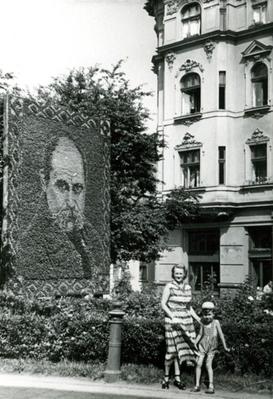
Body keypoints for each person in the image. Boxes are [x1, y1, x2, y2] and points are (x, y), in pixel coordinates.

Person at [161, 264, 200, 390]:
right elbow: (163, 304)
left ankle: (177, 379)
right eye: (176, 273)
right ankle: (165, 378)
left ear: (184, 274)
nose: (178, 275)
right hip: (172, 322)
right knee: (171, 352)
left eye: (180, 273)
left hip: (186, 322)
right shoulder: (169, 286)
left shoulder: (188, 287)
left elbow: (188, 307)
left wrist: (198, 318)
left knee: (180, 351)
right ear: (173, 274)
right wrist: (172, 316)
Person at [192, 301, 230, 394]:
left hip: (212, 346)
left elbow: (221, 335)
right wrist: (194, 344)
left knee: (208, 365)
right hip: (202, 345)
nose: (207, 317)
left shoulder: (216, 322)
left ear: (213, 314)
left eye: (209, 314)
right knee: (198, 364)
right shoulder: (202, 322)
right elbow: (200, 334)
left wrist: (225, 347)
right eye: (205, 315)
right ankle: (197, 385)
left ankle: (211, 386)